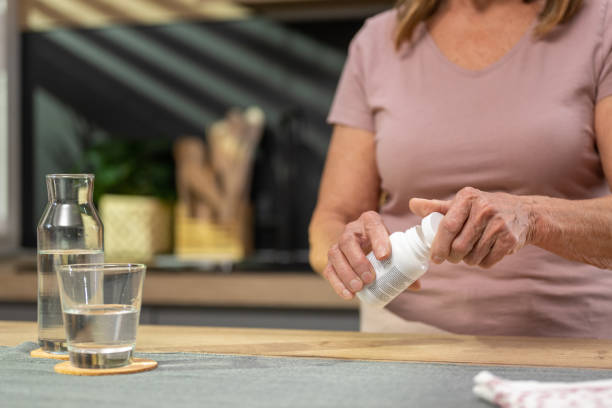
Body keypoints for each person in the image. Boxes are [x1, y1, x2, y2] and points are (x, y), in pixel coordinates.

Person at [308, 0, 612, 337]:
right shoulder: (377, 41)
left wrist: (532, 218)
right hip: (399, 345)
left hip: (569, 347)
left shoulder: (601, 25)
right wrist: (346, 252)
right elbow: (333, 216)